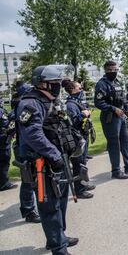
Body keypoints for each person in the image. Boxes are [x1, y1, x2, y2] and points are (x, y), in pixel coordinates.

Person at [16, 65, 81, 254]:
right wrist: (53, 155)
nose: (58, 87)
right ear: (42, 83)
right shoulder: (30, 103)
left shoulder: (51, 100)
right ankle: (58, 248)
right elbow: (32, 134)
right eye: (54, 83)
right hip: (42, 164)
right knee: (50, 207)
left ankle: (58, 237)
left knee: (61, 202)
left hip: (58, 161)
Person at [94, 60, 128, 179]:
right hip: (110, 117)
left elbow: (123, 98)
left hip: (121, 116)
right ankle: (116, 170)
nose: (113, 72)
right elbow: (98, 103)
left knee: (126, 141)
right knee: (114, 144)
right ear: (105, 70)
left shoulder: (118, 82)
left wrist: (126, 107)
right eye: (110, 70)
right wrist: (113, 109)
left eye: (115, 69)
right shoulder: (101, 84)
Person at [10, 82, 41, 223]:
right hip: (24, 149)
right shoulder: (21, 106)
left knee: (36, 179)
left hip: (30, 147)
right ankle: (28, 210)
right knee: (28, 181)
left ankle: (36, 207)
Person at [63, 79, 94, 199]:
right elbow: (72, 122)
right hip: (76, 138)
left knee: (83, 163)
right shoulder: (70, 104)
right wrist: (83, 114)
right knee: (78, 165)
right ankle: (79, 190)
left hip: (82, 136)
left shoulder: (77, 102)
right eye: (79, 88)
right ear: (72, 90)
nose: (81, 90)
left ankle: (83, 184)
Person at [0, 96, 18, 191]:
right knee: (4, 160)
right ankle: (3, 183)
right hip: (2, 140)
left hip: (3, 138)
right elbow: (5, 125)